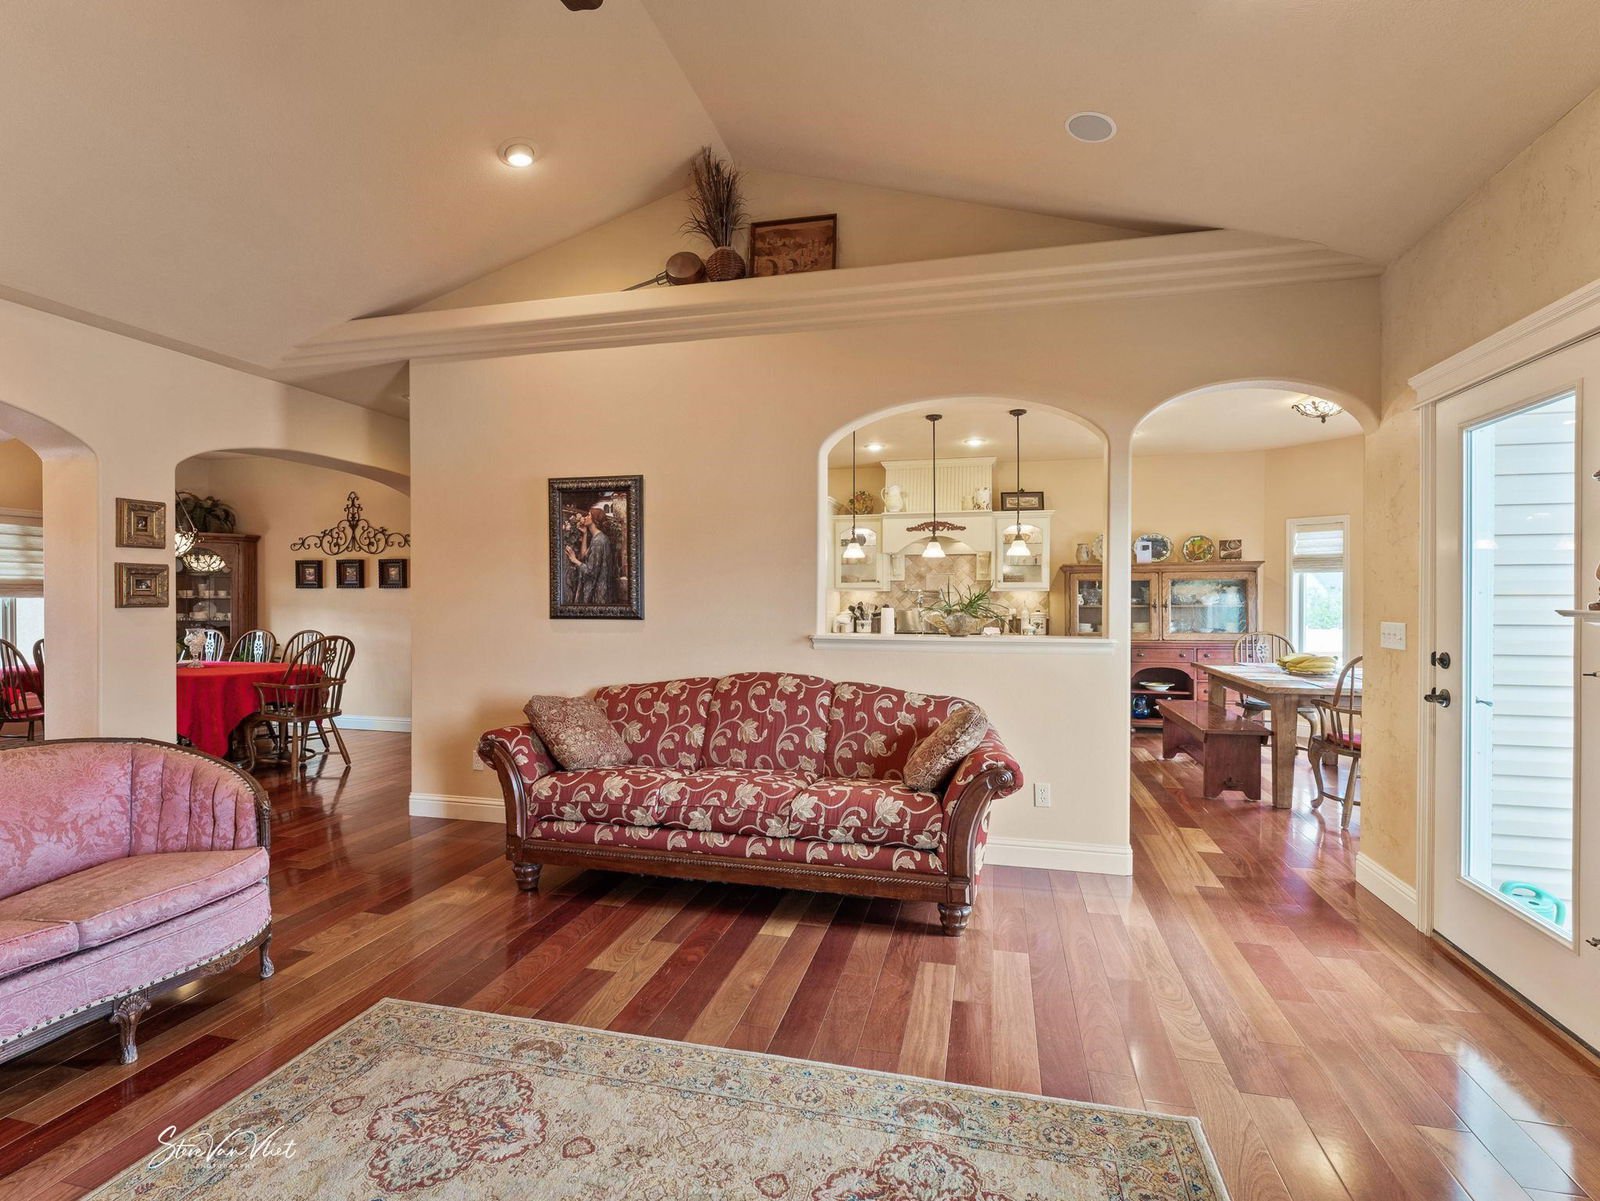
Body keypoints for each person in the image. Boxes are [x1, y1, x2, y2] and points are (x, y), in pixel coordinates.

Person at [566, 505, 619, 605]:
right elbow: (584, 555)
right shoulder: (598, 537)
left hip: (597, 593)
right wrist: (585, 534)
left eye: (589, 515)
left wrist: (574, 560)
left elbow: (590, 571)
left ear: (595, 520)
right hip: (601, 591)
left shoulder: (598, 541)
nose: (585, 517)